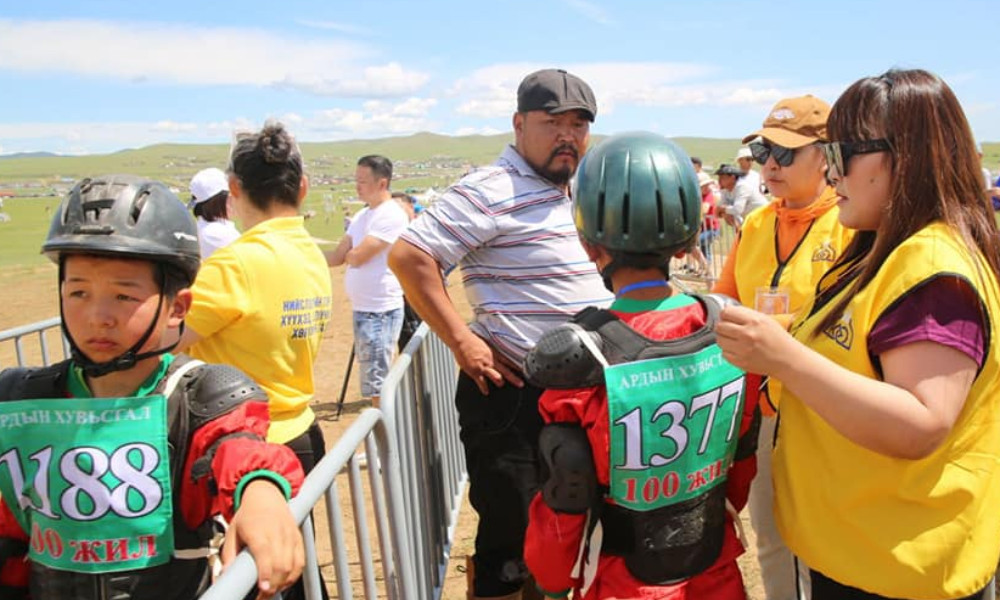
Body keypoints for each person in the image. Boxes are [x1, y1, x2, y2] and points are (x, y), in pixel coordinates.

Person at [716, 68, 1000, 600]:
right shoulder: (886, 248)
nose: (833, 175)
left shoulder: (932, 267)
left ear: (904, 157)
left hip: (897, 566)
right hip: (867, 550)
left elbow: (920, 422)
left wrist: (784, 358)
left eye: (841, 155)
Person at [0, 175, 305, 600]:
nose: (98, 316)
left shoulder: (200, 398)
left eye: (124, 297)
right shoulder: (21, 402)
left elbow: (239, 448)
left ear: (177, 307)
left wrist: (261, 493)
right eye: (79, 292)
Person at [388, 68, 612, 600]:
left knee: (575, 528)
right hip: (515, 397)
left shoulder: (577, 190)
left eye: (579, 124)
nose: (567, 135)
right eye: (551, 121)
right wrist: (462, 341)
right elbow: (410, 256)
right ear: (518, 124)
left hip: (582, 396)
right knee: (513, 539)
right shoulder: (490, 189)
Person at [521, 132, 760, 600]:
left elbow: (567, 490)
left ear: (590, 245)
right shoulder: (729, 332)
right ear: (688, 235)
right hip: (714, 570)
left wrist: (549, 582)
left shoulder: (582, 360)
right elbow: (741, 459)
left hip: (621, 583)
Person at [713, 94, 853, 600]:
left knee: (831, 538)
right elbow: (724, 301)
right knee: (772, 538)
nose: (771, 163)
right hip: (762, 410)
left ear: (827, 156)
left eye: (788, 153)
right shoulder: (757, 224)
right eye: (765, 148)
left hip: (827, 411)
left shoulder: (852, 225)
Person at [177, 123, 331, 481]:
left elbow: (161, 341)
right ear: (302, 187)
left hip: (247, 445)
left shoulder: (235, 264)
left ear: (234, 189)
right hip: (300, 430)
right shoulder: (310, 253)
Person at [326, 155, 409, 407]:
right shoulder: (363, 215)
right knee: (371, 369)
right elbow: (340, 256)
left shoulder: (391, 215)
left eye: (362, 181)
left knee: (377, 377)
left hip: (380, 308)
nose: (357, 186)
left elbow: (358, 256)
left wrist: (352, 255)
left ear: (382, 183)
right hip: (364, 308)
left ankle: (386, 424)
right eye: (356, 180)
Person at [188, 167, 240, 259]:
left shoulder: (204, 228)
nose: (235, 199)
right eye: (230, 194)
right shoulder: (218, 234)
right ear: (218, 200)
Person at [715, 157, 767, 229]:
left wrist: (723, 209)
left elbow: (737, 209)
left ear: (732, 178)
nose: (719, 180)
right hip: (752, 220)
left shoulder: (742, 187)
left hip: (764, 219)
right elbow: (719, 210)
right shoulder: (725, 190)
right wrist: (724, 212)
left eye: (722, 178)